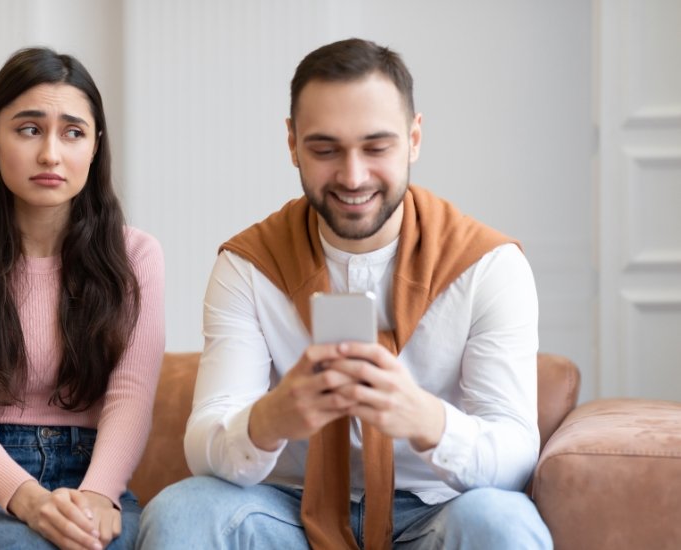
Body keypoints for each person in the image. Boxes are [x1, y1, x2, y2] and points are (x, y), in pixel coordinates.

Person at [138, 38, 551, 549]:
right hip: (286, 509)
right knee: (182, 513)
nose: (353, 177)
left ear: (414, 138)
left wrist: (427, 421)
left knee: (504, 523)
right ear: (292, 143)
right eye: (325, 149)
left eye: (376, 147)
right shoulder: (247, 265)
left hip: (436, 509)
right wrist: (269, 420)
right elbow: (204, 444)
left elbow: (516, 455)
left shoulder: (489, 266)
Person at [0, 47, 164, 550]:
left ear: (95, 146)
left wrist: (100, 494)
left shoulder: (136, 255)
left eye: (73, 133)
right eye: (30, 129)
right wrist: (30, 501)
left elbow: (131, 395)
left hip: (92, 481)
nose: (51, 155)